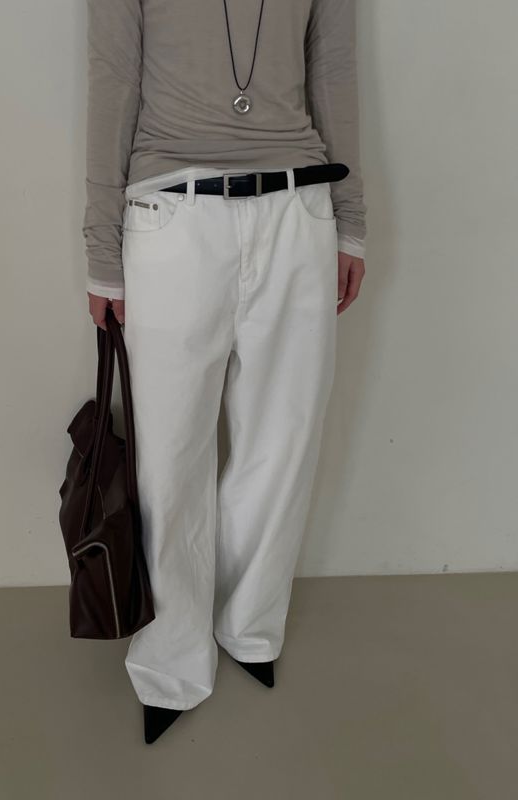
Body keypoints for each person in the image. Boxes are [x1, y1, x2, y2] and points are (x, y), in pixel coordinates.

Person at [82, 0, 367, 743]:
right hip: (173, 216)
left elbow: (333, 67)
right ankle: (171, 660)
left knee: (284, 444)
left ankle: (249, 625)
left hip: (298, 211)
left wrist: (352, 219)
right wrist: (101, 250)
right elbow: (113, 77)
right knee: (169, 459)